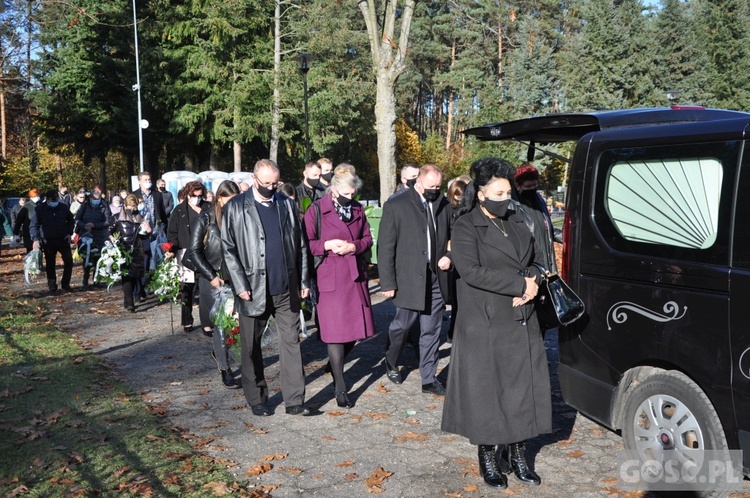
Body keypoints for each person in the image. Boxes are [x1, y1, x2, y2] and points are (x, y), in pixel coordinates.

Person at [441, 157, 551, 490]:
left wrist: (532, 281)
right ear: (481, 193)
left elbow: (537, 259)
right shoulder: (465, 226)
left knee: (521, 391)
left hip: (521, 319)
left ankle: (518, 456)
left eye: (509, 191)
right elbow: (472, 271)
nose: (506, 198)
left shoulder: (519, 219)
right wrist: (519, 285)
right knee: (488, 393)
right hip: (485, 321)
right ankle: (488, 458)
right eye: (499, 192)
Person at [221, 159, 311, 417]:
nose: (271, 188)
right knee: (251, 347)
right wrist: (239, 285)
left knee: (291, 342)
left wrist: (303, 281)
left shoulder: (286, 204)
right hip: (252, 288)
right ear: (253, 178)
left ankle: (295, 400)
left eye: (275, 183)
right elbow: (228, 249)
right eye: (266, 183)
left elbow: (301, 244)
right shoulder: (237, 207)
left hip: (286, 288)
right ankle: (257, 398)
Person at [303, 164, 375, 408]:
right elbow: (308, 244)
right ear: (333, 189)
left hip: (354, 275)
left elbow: (367, 239)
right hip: (330, 275)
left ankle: (336, 366)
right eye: (346, 193)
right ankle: (340, 386)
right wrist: (327, 245)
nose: (351, 197)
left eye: (353, 193)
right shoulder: (316, 210)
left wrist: (353, 246)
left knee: (355, 331)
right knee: (334, 333)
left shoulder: (357, 209)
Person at [378, 164, 452, 395]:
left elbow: (454, 236)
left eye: (439, 186)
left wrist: (449, 256)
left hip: (436, 278)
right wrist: (388, 282)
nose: (435, 190)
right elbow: (386, 247)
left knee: (431, 330)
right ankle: (391, 359)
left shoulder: (445, 205)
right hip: (408, 278)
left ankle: (428, 379)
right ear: (418, 181)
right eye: (431, 186)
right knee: (402, 326)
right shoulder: (396, 205)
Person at [189, 180, 241, 389]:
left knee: (237, 324)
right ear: (219, 198)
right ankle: (225, 368)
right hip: (214, 278)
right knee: (221, 326)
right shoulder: (207, 217)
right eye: (230, 200)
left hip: (236, 277)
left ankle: (225, 355)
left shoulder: (240, 215)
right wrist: (211, 275)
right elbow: (194, 250)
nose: (233, 204)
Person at [166, 180, 209, 332]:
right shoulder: (179, 211)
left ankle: (208, 323)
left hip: (205, 253)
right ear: (187, 194)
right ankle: (187, 320)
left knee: (205, 289)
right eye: (193, 195)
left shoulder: (208, 207)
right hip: (185, 253)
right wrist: (171, 248)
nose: (197, 198)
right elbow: (172, 233)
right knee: (186, 289)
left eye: (199, 195)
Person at [514, 164, 559, 274]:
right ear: (518, 185)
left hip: (546, 257)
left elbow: (547, 229)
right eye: (528, 186)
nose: (532, 189)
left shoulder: (539, 200)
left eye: (535, 185)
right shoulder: (513, 205)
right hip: (528, 262)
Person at [111, 194, 151, 312]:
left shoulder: (139, 217)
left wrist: (148, 231)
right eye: (132, 206)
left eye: (135, 206)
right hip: (123, 249)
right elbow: (109, 230)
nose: (134, 209)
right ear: (126, 205)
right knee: (126, 276)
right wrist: (111, 238)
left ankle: (128, 299)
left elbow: (143, 236)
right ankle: (130, 302)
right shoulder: (117, 217)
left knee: (135, 276)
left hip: (137, 250)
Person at [30, 190, 75, 292]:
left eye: (56, 200)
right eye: (52, 200)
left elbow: (71, 220)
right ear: (48, 199)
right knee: (50, 264)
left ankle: (65, 284)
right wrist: (36, 239)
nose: (54, 202)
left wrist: (69, 233)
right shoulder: (40, 209)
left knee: (68, 261)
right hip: (48, 240)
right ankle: (52, 285)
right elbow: (34, 225)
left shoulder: (63, 207)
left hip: (63, 238)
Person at [133, 171, 169, 297]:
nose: (148, 181)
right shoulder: (134, 195)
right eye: (145, 180)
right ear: (139, 181)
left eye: (149, 179)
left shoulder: (157, 194)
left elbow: (162, 213)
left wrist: (165, 228)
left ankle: (145, 287)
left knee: (151, 262)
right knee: (142, 262)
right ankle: (138, 291)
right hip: (140, 233)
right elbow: (131, 212)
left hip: (155, 232)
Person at [445, 176, 469, 344]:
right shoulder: (449, 211)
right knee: (456, 301)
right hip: (453, 257)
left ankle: (455, 332)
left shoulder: (466, 211)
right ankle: (453, 331)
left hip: (461, 255)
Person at [75, 186, 114, 286]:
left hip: (99, 235)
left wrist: (95, 225)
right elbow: (77, 219)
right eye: (95, 199)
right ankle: (86, 275)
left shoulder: (104, 207)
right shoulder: (84, 206)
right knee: (86, 256)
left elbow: (107, 221)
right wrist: (84, 225)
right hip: (86, 234)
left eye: (99, 199)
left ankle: (96, 278)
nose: (97, 201)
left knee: (98, 257)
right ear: (91, 198)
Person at [13, 189, 40, 253]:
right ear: (31, 197)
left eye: (37, 195)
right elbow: (19, 220)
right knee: (30, 252)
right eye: (34, 196)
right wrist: (16, 233)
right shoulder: (26, 207)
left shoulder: (42, 205)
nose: (37, 197)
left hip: (41, 233)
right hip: (29, 234)